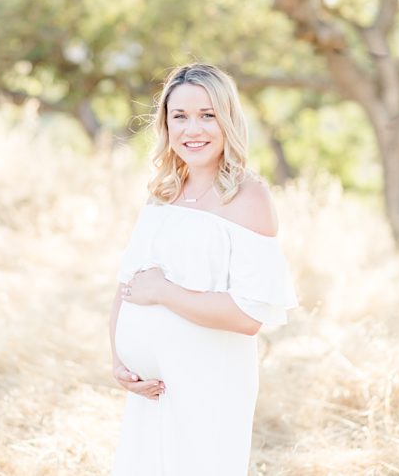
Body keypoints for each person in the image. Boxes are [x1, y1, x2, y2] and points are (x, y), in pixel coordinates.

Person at [110, 63, 298, 475]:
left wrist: (164, 293)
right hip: (151, 395)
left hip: (210, 383)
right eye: (179, 117)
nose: (192, 129)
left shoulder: (249, 197)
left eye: (206, 115)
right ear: (165, 125)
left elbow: (249, 315)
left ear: (228, 120)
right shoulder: (162, 194)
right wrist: (120, 361)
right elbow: (128, 284)